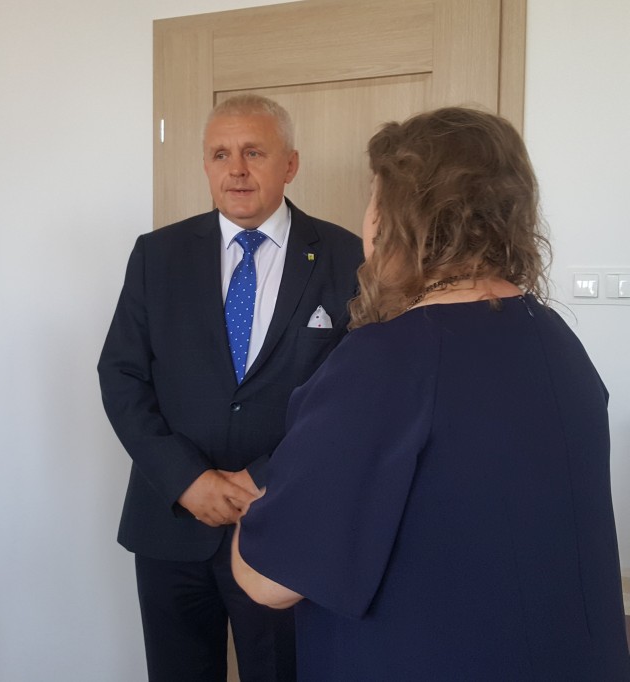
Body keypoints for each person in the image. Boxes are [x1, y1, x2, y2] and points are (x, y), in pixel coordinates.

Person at [232, 107, 630, 680]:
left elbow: (268, 579)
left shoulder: (387, 359)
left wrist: (255, 505)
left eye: (374, 198)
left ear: (396, 217)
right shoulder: (555, 338)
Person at [98, 94, 363, 681]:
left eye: (253, 153)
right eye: (220, 154)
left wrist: (263, 478)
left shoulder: (347, 257)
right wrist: (186, 479)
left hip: (284, 522)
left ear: (290, 164)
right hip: (171, 522)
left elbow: (351, 400)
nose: (236, 170)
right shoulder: (157, 254)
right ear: (205, 164)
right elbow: (120, 375)